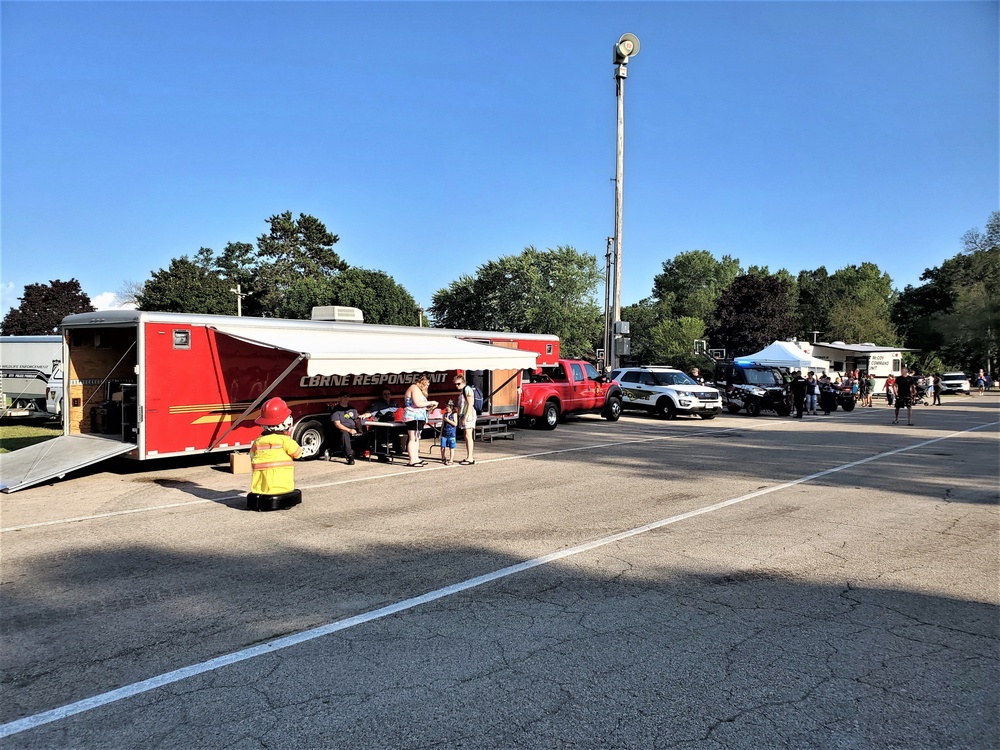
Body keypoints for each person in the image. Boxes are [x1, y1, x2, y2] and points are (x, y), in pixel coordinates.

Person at [249, 397, 302, 495]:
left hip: (260, 490)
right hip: (282, 488)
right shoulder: (285, 440)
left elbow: (251, 456)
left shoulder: (258, 441)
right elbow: (298, 453)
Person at [403, 374, 438, 467]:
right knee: (412, 438)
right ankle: (412, 460)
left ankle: (416, 458)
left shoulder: (419, 390)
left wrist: (429, 407)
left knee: (417, 438)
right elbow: (417, 403)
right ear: (422, 382)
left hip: (419, 417)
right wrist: (431, 402)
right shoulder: (414, 388)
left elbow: (421, 405)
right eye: (427, 385)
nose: (427, 387)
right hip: (412, 417)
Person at [329, 393, 374, 465]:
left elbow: (357, 420)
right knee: (344, 434)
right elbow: (337, 424)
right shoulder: (336, 410)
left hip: (353, 428)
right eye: (344, 397)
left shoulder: (352, 409)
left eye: (347, 397)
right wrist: (349, 430)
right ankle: (350, 456)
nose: (346, 398)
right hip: (343, 429)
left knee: (369, 433)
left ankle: (376, 453)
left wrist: (360, 429)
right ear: (339, 398)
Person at [454, 373, 477, 465]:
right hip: (464, 414)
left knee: (468, 435)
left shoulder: (467, 389)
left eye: (458, 384)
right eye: (455, 384)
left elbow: (470, 403)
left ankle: (470, 457)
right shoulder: (462, 391)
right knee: (466, 436)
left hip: (469, 415)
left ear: (463, 382)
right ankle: (468, 456)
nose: (457, 386)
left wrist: (466, 416)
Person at [439, 400, 458, 465]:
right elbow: (442, 424)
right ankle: (443, 457)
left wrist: (448, 420)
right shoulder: (445, 414)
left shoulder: (454, 414)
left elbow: (455, 424)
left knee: (451, 447)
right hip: (444, 432)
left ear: (452, 407)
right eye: (446, 406)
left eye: (448, 406)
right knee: (442, 446)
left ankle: (451, 459)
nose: (447, 408)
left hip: (451, 433)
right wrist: (440, 433)